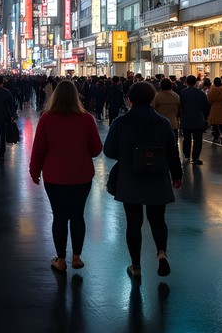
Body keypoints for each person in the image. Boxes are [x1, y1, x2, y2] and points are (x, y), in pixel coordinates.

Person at [104, 81, 183, 279]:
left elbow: (109, 151)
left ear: (129, 99)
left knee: (133, 222)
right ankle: (161, 253)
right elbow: (172, 152)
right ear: (152, 99)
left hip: (131, 178)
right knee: (157, 219)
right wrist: (177, 175)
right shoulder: (162, 122)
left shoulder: (120, 123)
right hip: (158, 176)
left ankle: (136, 266)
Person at [29, 80, 103, 272]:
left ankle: (60, 259)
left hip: (55, 176)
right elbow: (96, 149)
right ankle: (77, 256)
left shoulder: (47, 118)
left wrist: (34, 172)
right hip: (82, 175)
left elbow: (38, 150)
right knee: (78, 215)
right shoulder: (87, 118)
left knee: (59, 217)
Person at [178, 75, 210, 165]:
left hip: (186, 119)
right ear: (195, 82)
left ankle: (186, 156)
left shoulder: (183, 93)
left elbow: (180, 106)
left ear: (186, 82)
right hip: (198, 119)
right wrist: (205, 117)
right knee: (198, 140)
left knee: (186, 139)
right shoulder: (201, 93)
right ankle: (196, 158)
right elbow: (206, 106)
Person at [151, 79, 181, 147]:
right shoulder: (176, 96)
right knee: (173, 145)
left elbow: (152, 109)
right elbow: (179, 111)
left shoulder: (158, 96)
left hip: (160, 124)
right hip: (173, 124)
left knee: (161, 146)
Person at [207, 78, 222, 142]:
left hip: (215, 107)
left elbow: (209, 99)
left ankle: (217, 135)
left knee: (214, 123)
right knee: (221, 123)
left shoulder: (213, 90)